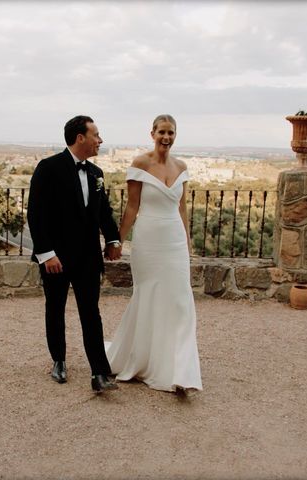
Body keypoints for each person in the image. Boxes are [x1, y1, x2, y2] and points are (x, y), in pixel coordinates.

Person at [105, 114, 202, 395]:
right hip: (148, 240)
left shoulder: (182, 167)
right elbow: (132, 207)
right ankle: (145, 359)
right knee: (148, 297)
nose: (166, 137)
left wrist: (186, 242)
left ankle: (181, 370)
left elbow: (182, 208)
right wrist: (118, 241)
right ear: (152, 133)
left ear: (175, 135)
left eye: (171, 133)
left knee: (181, 301)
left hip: (174, 241)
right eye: (161, 132)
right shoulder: (140, 164)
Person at [27, 115, 122, 393]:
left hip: (88, 259)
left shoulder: (96, 174)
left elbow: (104, 212)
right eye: (96, 135)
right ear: (80, 138)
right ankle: (58, 360)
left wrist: (113, 238)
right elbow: (36, 214)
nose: (100, 140)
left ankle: (99, 373)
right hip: (56, 258)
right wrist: (46, 253)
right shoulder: (48, 168)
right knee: (55, 309)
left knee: (91, 313)